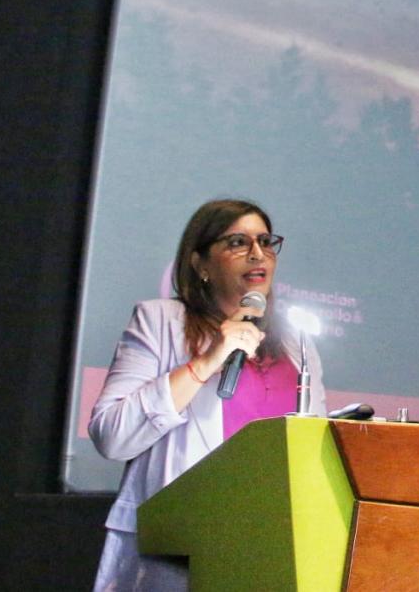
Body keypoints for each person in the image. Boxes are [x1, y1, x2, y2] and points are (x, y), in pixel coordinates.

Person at [89, 199, 327, 591]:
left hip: (276, 546)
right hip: (183, 549)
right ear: (200, 264)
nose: (257, 253)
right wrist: (207, 361)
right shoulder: (160, 322)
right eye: (238, 242)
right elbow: (111, 436)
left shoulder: (296, 342)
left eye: (266, 241)